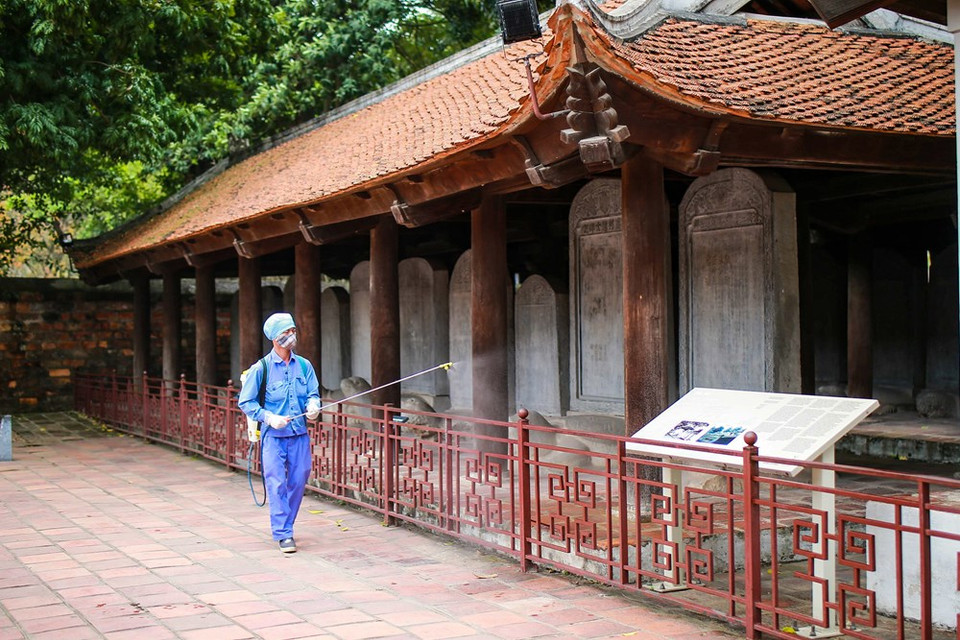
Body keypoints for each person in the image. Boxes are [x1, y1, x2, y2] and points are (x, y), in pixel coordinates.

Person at [238, 312, 321, 553]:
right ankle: (284, 533)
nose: (291, 336)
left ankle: (286, 523)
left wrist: (313, 406)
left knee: (300, 477)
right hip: (273, 437)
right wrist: (269, 418)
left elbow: (314, 393)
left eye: (293, 331)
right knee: (276, 483)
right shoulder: (260, 369)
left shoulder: (304, 366)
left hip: (299, 433)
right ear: (275, 337)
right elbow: (246, 402)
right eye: (286, 332)